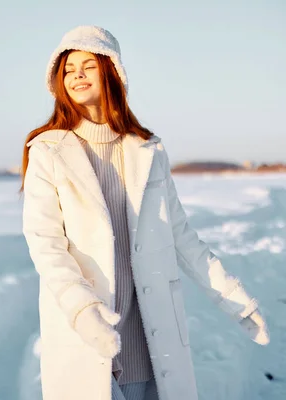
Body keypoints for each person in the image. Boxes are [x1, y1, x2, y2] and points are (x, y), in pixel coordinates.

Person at [20, 25, 270, 400]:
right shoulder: (48, 151)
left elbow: (182, 238)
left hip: (150, 345)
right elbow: (46, 245)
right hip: (85, 336)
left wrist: (235, 300)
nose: (77, 75)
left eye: (88, 65)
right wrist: (82, 309)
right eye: (69, 69)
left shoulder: (147, 150)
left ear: (112, 72)